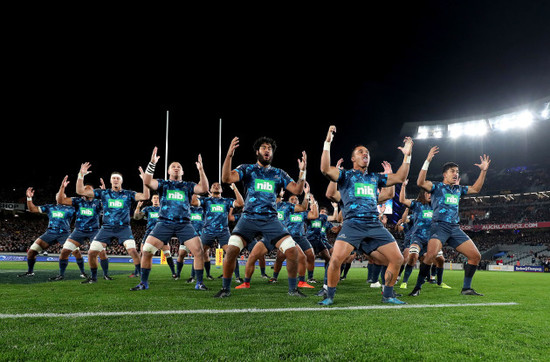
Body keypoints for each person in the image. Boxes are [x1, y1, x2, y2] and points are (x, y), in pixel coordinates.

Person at [319, 125, 413, 305]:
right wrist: (327, 143)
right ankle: (329, 296)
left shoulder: (374, 178)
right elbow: (325, 169)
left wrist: (407, 155)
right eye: (361, 152)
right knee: (336, 259)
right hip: (352, 224)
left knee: (398, 258)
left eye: (367, 152)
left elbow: (400, 177)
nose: (365, 154)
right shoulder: (345, 175)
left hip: (374, 224)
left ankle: (388, 295)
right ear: (353, 158)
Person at [213, 136, 307, 298]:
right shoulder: (247, 169)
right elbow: (226, 178)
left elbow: (298, 190)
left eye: (269, 148)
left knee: (292, 251)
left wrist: (302, 171)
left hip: (271, 219)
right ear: (257, 151)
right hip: (248, 218)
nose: (267, 150)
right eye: (264, 147)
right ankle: (225, 289)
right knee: (231, 250)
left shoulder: (279, 173)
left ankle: (293, 290)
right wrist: (229, 155)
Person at [415, 146, 491, 296]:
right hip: (439, 227)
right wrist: (428, 160)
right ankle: (417, 287)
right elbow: (420, 182)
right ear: (445, 174)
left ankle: (466, 288)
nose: (456, 174)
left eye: (457, 171)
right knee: (430, 256)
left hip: (454, 229)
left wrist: (483, 171)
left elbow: (475, 189)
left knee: (475, 256)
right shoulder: (436, 187)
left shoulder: (458, 189)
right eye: (452, 171)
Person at [132, 147, 209, 291]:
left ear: (182, 172)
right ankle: (143, 283)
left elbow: (204, 188)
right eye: (173, 166)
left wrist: (201, 170)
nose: (176, 168)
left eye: (178, 167)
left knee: (198, 251)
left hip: (184, 223)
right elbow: (148, 182)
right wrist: (152, 163)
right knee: (147, 250)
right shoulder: (164, 184)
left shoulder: (188, 185)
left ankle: (199, 283)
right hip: (164, 222)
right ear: (168, 171)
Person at [77, 162, 149, 283]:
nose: (115, 180)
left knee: (132, 251)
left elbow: (145, 196)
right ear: (111, 181)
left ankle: (142, 278)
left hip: (124, 228)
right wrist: (81, 175)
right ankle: (93, 278)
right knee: (91, 253)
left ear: (121, 181)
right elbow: (80, 191)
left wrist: (145, 182)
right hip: (106, 228)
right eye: (113, 178)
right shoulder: (104, 193)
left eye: (118, 178)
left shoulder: (128, 194)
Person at [49, 175, 103, 281]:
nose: (86, 190)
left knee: (94, 253)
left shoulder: (97, 203)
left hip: (94, 231)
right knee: (64, 251)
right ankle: (61, 275)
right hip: (78, 231)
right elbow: (60, 201)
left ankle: (94, 277)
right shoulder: (78, 201)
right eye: (85, 189)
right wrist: (62, 187)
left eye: (88, 189)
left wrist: (104, 192)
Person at [263, 187, 317, 289]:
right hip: (288, 237)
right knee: (280, 258)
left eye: (295, 199)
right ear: (287, 202)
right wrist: (279, 196)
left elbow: (314, 215)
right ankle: (275, 277)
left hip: (301, 237)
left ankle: (307, 278)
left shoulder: (302, 211)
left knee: (309, 255)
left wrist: (313, 202)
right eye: (291, 199)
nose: (294, 200)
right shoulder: (285, 208)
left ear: (298, 201)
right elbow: (274, 204)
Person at [18, 187, 77, 277]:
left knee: (76, 252)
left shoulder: (72, 209)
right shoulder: (50, 207)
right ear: (56, 198)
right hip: (50, 233)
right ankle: (30, 272)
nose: (60, 197)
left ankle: (83, 273)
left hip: (65, 234)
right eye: (59, 196)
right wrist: (29, 198)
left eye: (63, 196)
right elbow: (32, 209)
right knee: (31, 252)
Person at [192, 182, 244, 281]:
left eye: (218, 186)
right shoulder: (206, 200)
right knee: (199, 253)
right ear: (210, 190)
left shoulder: (226, 201)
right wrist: (197, 190)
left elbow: (241, 203)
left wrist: (235, 189)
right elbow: (193, 202)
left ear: (222, 190)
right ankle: (193, 277)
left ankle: (237, 277)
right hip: (208, 231)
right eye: (213, 185)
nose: (216, 186)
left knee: (231, 253)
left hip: (223, 231)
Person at [134, 194, 177, 278]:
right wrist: (138, 207)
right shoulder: (148, 209)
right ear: (151, 200)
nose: (156, 199)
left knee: (167, 253)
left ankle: (174, 273)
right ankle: (137, 272)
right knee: (142, 252)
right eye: (154, 198)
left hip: (162, 233)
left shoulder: (164, 209)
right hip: (150, 233)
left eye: (158, 198)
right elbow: (137, 217)